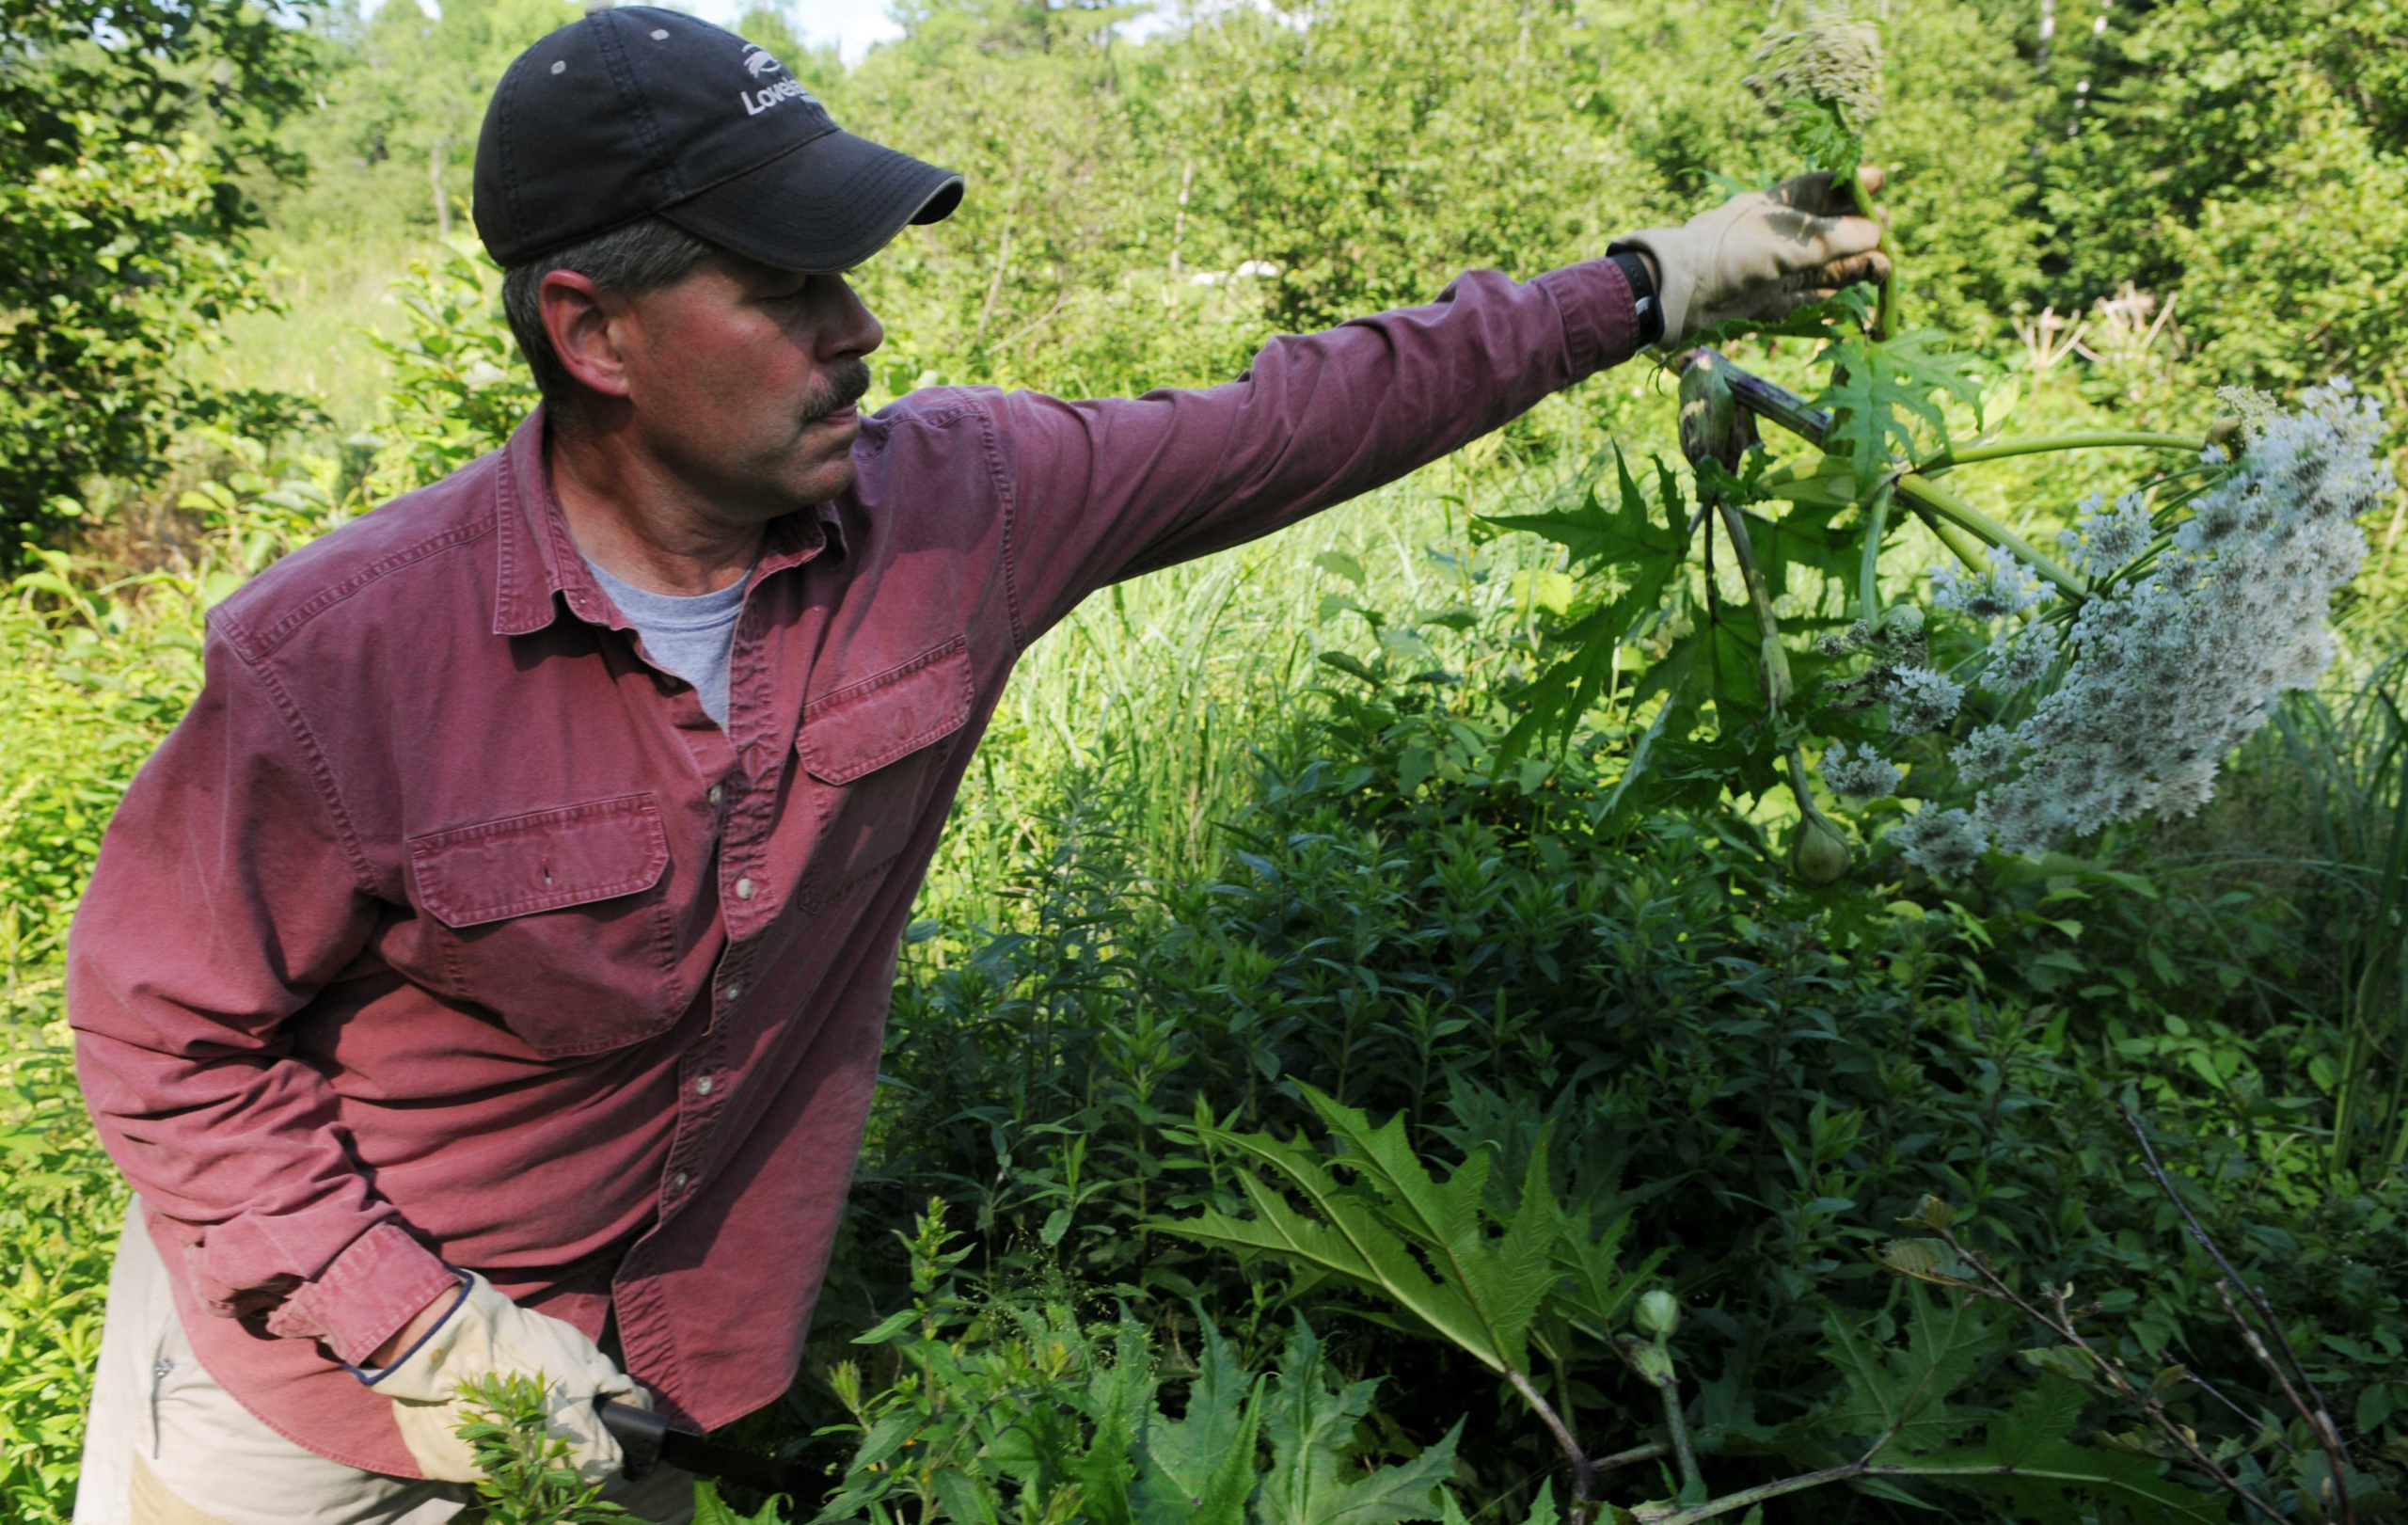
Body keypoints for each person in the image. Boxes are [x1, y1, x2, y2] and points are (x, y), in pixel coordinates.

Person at [64, 7, 1888, 1522]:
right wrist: (421, 1335)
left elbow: (1306, 413)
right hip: (297, 1401)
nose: (858, 328)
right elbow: (162, 1040)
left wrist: (1656, 283)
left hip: (646, 1380)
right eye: (785, 288)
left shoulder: (966, 504)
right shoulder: (342, 662)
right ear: (588, 331)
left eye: (847, 274)